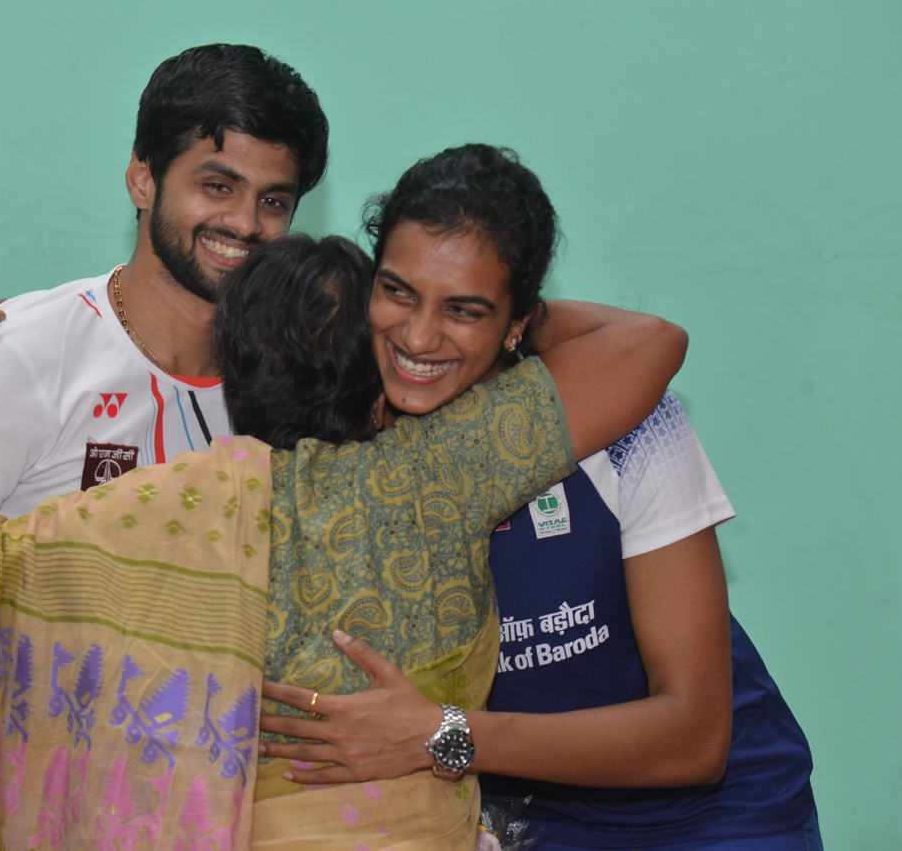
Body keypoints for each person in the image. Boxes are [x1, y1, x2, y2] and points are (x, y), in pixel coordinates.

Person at [0, 235, 686, 850]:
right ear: (379, 368)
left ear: (231, 372)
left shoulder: (155, 515)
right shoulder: (445, 474)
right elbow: (650, 343)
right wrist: (487, 321)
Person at [260, 145, 821, 850]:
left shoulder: (623, 421)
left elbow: (695, 738)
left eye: (466, 309)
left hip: (713, 818)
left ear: (519, 320)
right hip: (525, 821)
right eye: (399, 290)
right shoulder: (345, 447)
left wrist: (443, 737)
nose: (419, 335)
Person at [0, 43, 330, 683]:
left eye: (274, 202)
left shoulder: (292, 382)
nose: (245, 223)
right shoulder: (23, 352)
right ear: (143, 177)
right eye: (217, 186)